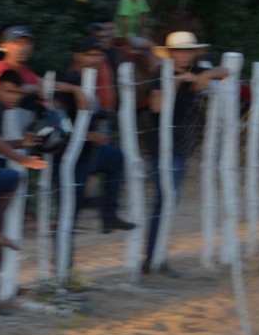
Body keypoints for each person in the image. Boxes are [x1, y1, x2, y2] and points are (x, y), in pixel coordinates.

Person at [143, 31, 227, 272]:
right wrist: (179, 81)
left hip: (181, 145)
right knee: (165, 200)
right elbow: (156, 105)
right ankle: (153, 257)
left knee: (169, 201)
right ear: (170, 54)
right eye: (180, 51)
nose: (184, 55)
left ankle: (156, 255)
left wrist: (207, 74)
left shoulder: (197, 68)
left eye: (188, 50)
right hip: (162, 146)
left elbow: (226, 71)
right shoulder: (162, 73)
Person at [55, 38, 135, 236]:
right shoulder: (70, 82)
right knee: (71, 206)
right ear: (77, 56)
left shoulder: (89, 82)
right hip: (69, 155)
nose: (94, 59)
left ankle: (109, 215)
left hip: (89, 152)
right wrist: (88, 134)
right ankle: (63, 255)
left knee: (115, 157)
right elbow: (57, 119)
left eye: (98, 55)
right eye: (89, 54)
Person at [0, 70, 48, 251]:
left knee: (13, 178)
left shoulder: (1, 109)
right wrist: (22, 158)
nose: (14, 97)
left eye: (17, 92)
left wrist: (21, 143)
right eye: (9, 92)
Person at [0, 25, 40, 98]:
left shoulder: (24, 69)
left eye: (27, 43)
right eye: (17, 43)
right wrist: (35, 88)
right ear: (3, 46)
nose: (23, 48)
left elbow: (43, 83)